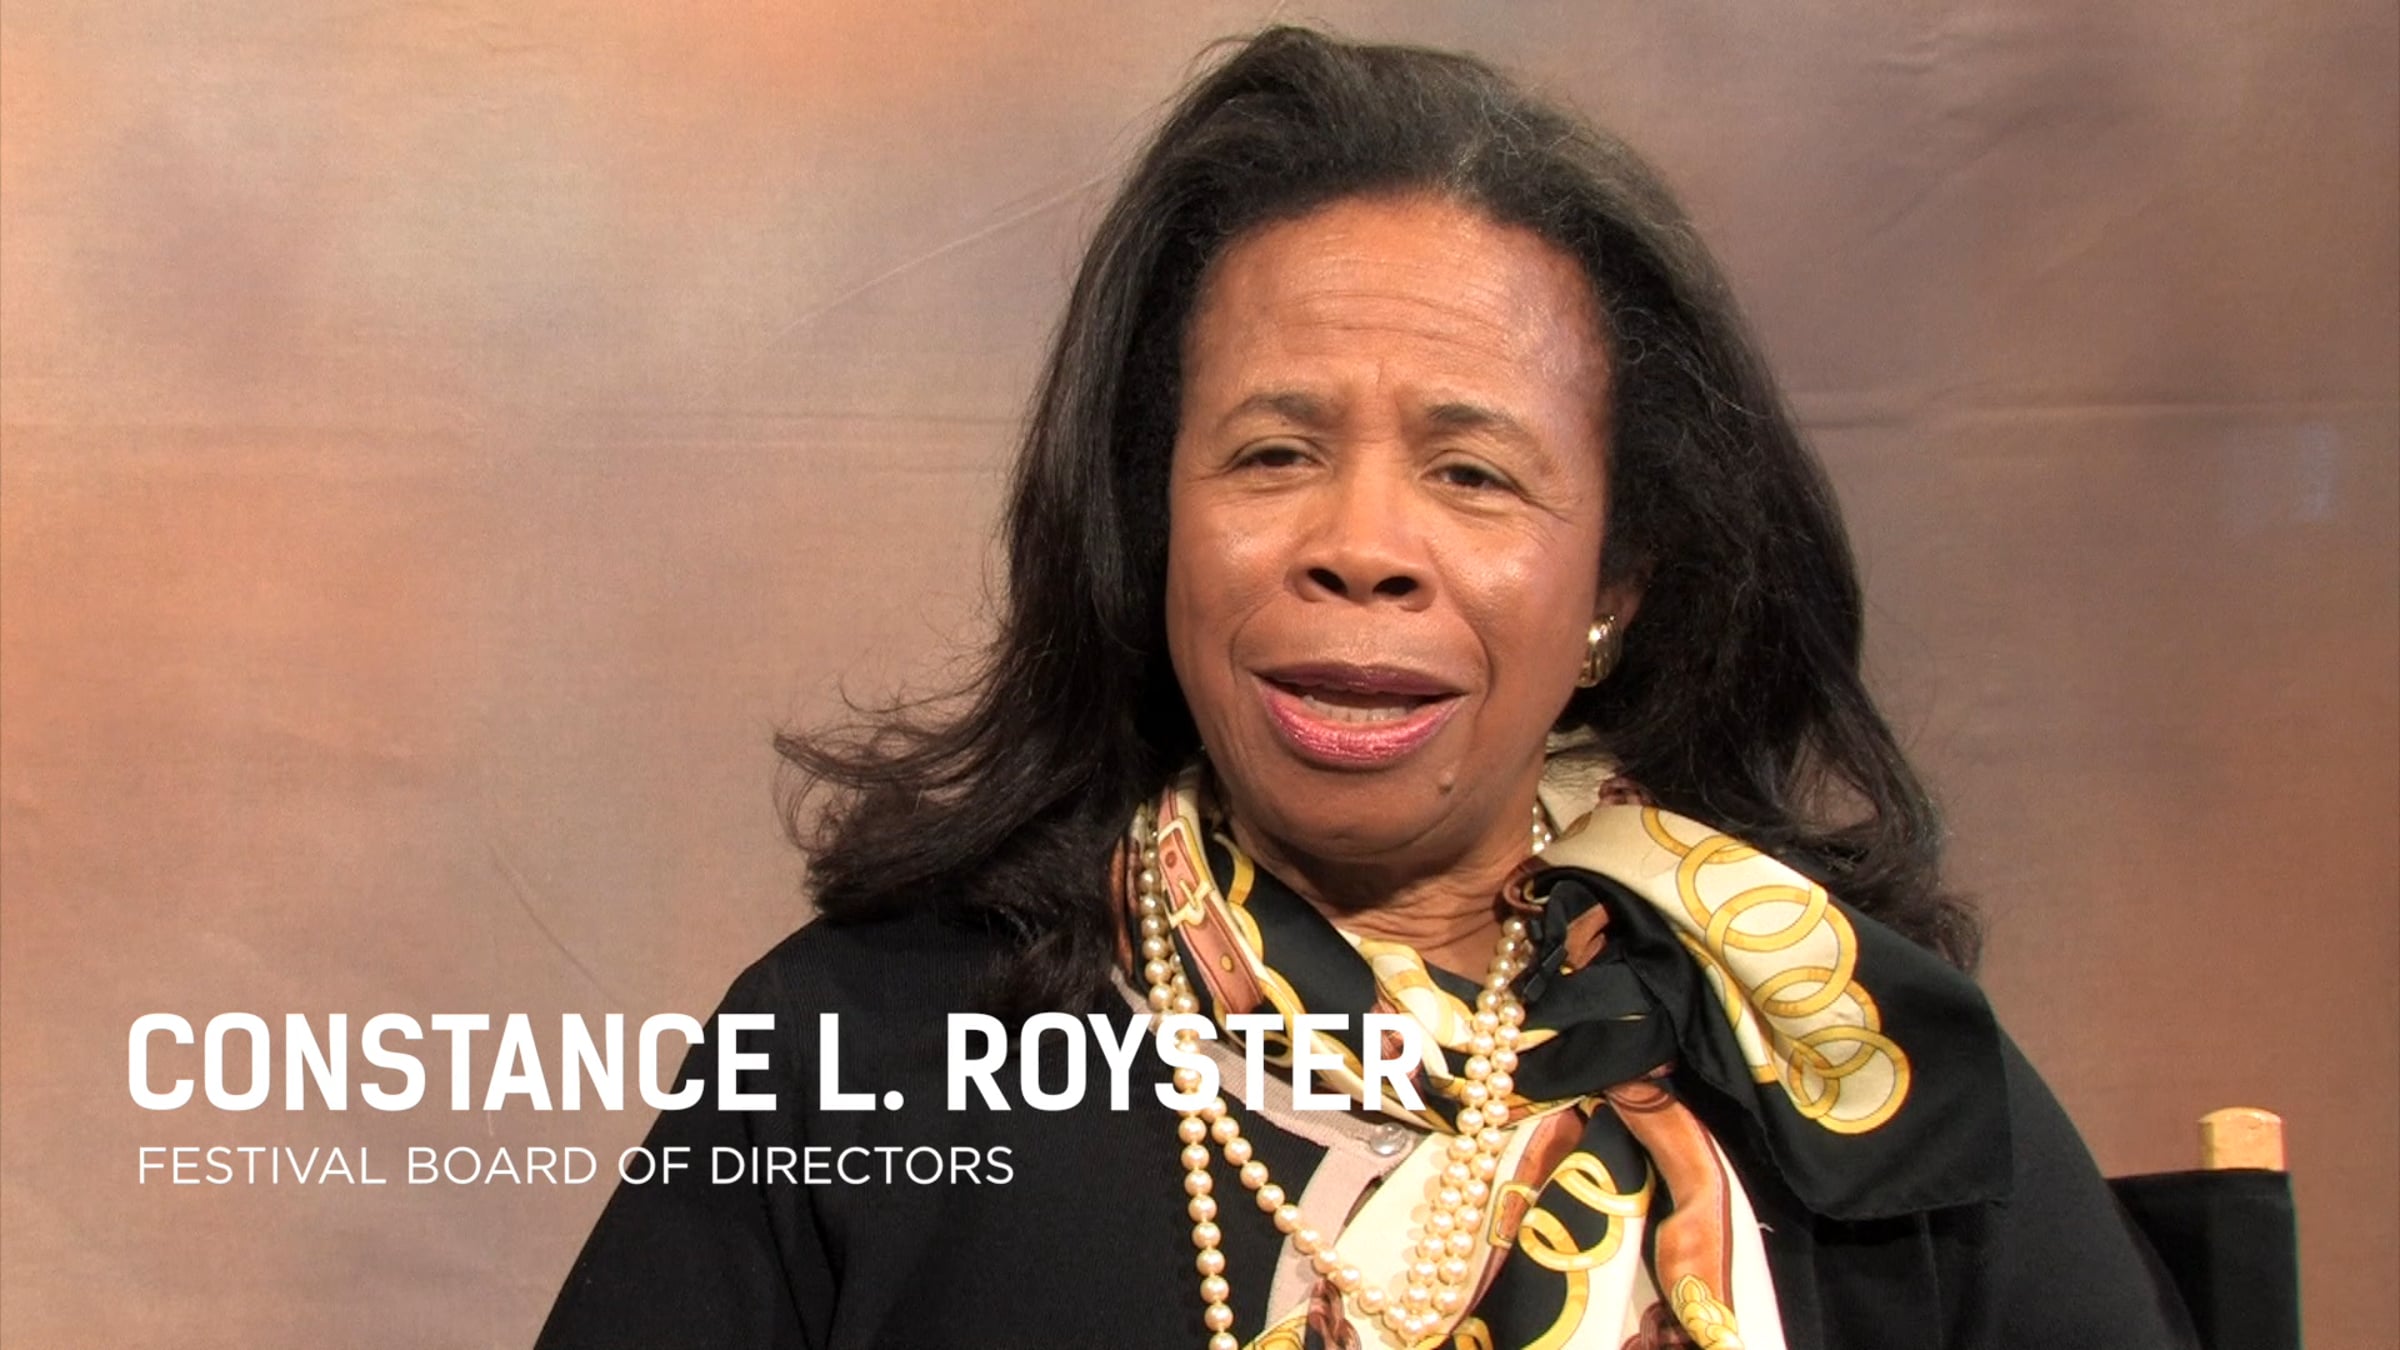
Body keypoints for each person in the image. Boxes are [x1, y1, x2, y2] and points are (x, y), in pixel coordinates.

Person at [536, 27, 2198, 1350]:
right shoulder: (858, 1057)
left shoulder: (1859, 1071)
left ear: (1618, 579)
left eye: (1475, 474)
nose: (1362, 548)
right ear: (1154, 521)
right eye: (1273, 453)